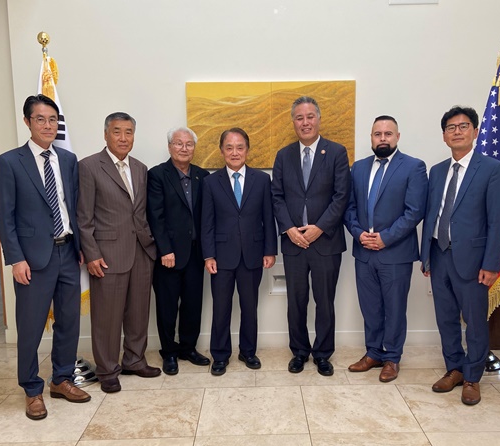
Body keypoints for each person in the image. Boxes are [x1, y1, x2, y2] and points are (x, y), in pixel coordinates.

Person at [0, 94, 90, 420]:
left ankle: (61, 379)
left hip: (68, 253)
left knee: (69, 322)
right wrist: (16, 259)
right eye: (40, 119)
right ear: (27, 122)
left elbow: (72, 206)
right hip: (32, 260)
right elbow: (5, 217)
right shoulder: (10, 162)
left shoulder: (68, 160)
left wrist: (80, 246)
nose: (48, 125)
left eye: (52, 120)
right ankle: (32, 390)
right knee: (31, 327)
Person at [421, 106, 500, 405]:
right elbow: (432, 215)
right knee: (445, 318)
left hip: (473, 261)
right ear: (444, 136)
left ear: (475, 131)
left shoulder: (492, 169)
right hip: (439, 254)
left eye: (463, 126)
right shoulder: (436, 171)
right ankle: (455, 369)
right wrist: (426, 255)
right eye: (451, 127)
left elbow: (497, 220)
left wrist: (491, 263)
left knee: (474, 321)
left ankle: (472, 377)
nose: (457, 132)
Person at [78, 112, 160, 394]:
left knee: (138, 313)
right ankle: (107, 370)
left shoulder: (140, 168)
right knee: (107, 317)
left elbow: (140, 212)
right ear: (105, 134)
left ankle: (134, 360)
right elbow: (83, 217)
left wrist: (151, 246)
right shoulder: (89, 167)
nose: (123, 138)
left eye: (128, 132)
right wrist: (91, 254)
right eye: (117, 132)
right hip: (107, 255)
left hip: (141, 252)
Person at [344, 115, 427, 382]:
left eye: (388, 134)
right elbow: (349, 207)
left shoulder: (413, 167)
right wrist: (359, 234)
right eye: (377, 134)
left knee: (394, 308)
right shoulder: (358, 168)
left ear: (397, 137)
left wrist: (385, 238)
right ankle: (373, 353)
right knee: (370, 307)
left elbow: (414, 211)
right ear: (371, 137)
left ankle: (392, 358)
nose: (382, 138)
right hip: (364, 252)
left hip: (395, 252)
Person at [271, 96, 351, 376]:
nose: (305, 122)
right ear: (293, 121)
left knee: (325, 301)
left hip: (325, 242)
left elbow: (341, 196)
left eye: (309, 117)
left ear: (318, 118)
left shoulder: (337, 152)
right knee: (296, 301)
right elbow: (277, 197)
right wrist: (289, 229)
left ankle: (323, 354)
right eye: (299, 118)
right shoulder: (283, 156)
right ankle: (299, 351)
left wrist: (320, 227)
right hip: (293, 242)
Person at [201, 128, 277, 376]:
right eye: (229, 147)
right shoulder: (210, 182)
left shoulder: (262, 180)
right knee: (221, 308)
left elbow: (268, 218)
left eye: (240, 147)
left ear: (247, 150)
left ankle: (248, 351)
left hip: (253, 254)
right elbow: (207, 222)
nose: (235, 152)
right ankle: (220, 355)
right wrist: (208, 255)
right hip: (221, 256)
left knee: (249, 306)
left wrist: (270, 250)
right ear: (222, 150)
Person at [147, 127, 210, 375]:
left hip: (196, 254)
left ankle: (188, 348)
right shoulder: (157, 175)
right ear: (169, 146)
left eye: (189, 144)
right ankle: (169, 352)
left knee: (193, 305)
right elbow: (155, 216)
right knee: (167, 306)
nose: (184, 148)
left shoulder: (203, 176)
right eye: (178, 143)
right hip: (169, 255)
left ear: (194, 148)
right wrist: (165, 250)